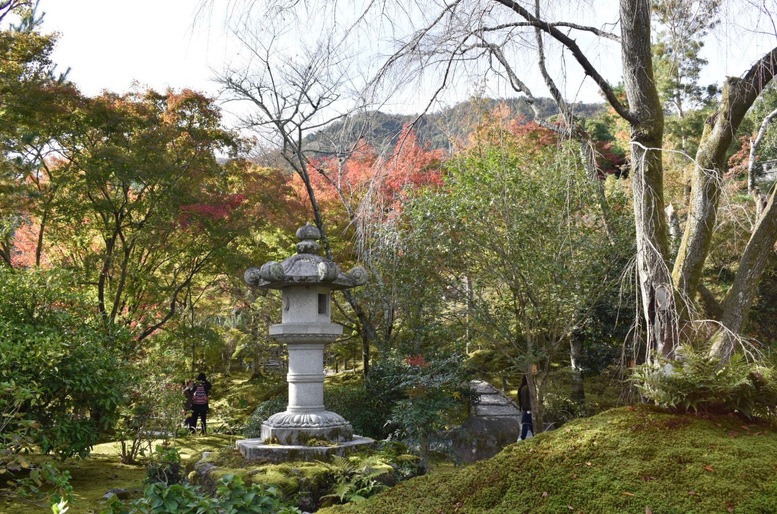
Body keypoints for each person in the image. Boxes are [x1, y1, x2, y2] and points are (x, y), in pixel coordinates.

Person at [518, 375, 534, 441]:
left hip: (525, 408)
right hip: (529, 408)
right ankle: (523, 437)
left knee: (526, 422)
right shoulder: (529, 388)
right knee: (526, 423)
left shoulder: (522, 388)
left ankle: (523, 437)